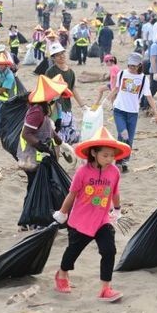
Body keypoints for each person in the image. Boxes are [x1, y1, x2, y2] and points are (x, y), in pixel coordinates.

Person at [52, 126, 130, 302]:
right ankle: (62, 274)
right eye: (105, 155)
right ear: (94, 153)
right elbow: (72, 194)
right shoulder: (83, 172)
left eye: (112, 155)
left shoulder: (114, 172)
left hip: (102, 220)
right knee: (73, 252)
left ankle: (105, 288)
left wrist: (117, 210)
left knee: (109, 251)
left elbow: (115, 193)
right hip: (80, 221)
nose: (110, 159)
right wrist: (63, 213)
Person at [17, 75, 72, 201]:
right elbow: (26, 134)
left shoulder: (44, 108)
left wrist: (60, 141)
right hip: (33, 158)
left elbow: (47, 128)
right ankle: (31, 213)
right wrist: (42, 146)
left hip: (42, 157)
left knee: (42, 186)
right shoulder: (36, 111)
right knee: (34, 186)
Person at [107, 53, 157, 172]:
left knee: (129, 139)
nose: (131, 67)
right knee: (123, 134)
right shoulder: (122, 73)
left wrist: (156, 113)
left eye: (134, 66)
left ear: (139, 65)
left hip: (133, 113)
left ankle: (124, 162)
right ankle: (119, 161)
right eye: (130, 65)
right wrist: (106, 100)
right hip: (119, 110)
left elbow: (149, 96)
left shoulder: (143, 79)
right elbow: (116, 89)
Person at [45, 42, 87, 144]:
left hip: (67, 107)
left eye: (62, 53)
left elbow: (72, 88)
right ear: (53, 58)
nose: (61, 56)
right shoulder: (50, 72)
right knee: (56, 134)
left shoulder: (70, 72)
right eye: (58, 55)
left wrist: (82, 105)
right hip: (55, 108)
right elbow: (46, 91)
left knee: (69, 134)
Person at [0, 52, 16, 140]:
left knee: (7, 117)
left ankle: (7, 133)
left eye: (2, 64)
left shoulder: (10, 76)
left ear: (6, 65)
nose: (0, 66)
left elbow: (4, 89)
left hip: (9, 99)